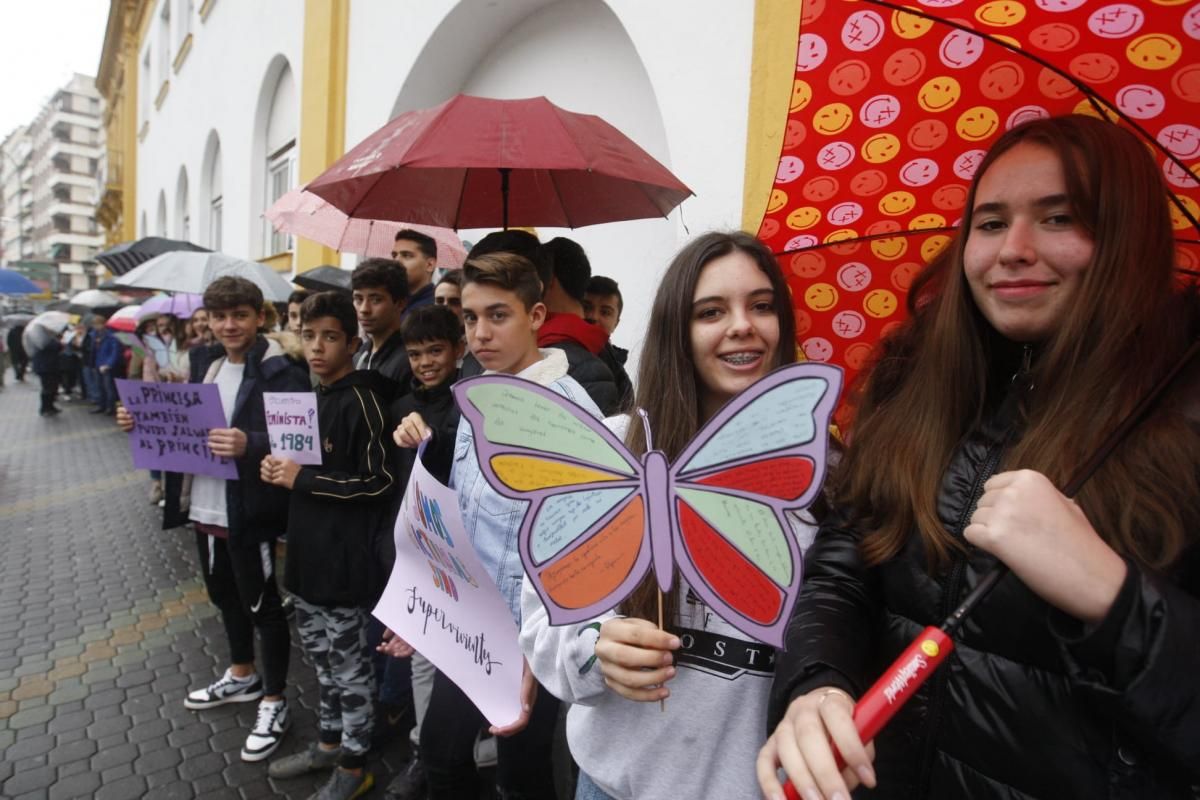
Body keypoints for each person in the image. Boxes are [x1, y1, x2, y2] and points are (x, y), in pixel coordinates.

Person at [758, 115, 1200, 800]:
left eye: (1058, 219)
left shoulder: (1182, 414)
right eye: (990, 224)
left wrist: (1115, 599)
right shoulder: (919, 375)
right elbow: (847, 559)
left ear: (1127, 237)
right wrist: (815, 682)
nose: (1014, 249)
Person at [517, 231, 817, 800]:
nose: (742, 325)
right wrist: (596, 649)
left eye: (761, 305)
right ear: (676, 331)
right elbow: (539, 628)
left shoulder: (822, 476)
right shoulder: (611, 451)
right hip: (612, 787)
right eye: (711, 311)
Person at [391, 251, 603, 800]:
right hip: (472, 621)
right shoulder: (476, 391)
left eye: (497, 315)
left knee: (524, 772)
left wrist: (539, 651)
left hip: (530, 635)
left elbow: (584, 551)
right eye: (469, 317)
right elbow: (462, 516)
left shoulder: (571, 416)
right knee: (442, 754)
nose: (480, 333)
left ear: (535, 316)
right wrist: (424, 607)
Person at [121, 276, 310, 763]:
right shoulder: (205, 362)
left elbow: (300, 443)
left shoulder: (281, 369)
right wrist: (140, 418)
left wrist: (252, 444)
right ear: (208, 320)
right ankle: (242, 675)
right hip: (204, 505)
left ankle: (274, 700)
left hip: (251, 509)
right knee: (223, 594)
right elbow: (185, 424)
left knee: (264, 606)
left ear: (259, 317)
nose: (229, 325)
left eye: (239, 315)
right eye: (219, 316)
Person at [261, 291, 395, 800]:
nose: (317, 347)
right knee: (320, 664)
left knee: (351, 670)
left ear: (353, 343)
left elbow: (380, 483)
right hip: (305, 560)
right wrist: (277, 471)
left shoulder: (364, 400)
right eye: (308, 335)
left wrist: (304, 480)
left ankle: (355, 765)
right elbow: (297, 473)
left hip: (343, 567)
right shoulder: (305, 399)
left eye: (330, 337)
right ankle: (328, 743)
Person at [380, 304, 465, 800]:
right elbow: (396, 490)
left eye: (436, 350)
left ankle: (456, 749)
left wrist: (437, 439)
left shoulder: (468, 403)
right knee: (421, 659)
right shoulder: (400, 407)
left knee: (459, 657)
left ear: (459, 350)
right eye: (416, 353)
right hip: (417, 551)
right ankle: (421, 752)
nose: (426, 362)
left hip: (461, 552)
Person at [539, 237, 633, 411]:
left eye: (606, 312)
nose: (594, 317)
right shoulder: (527, 342)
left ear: (549, 280)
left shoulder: (597, 365)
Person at [352, 257, 410, 399]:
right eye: (359, 299)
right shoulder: (360, 354)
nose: (364, 309)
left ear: (400, 303)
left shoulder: (410, 358)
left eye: (376, 299)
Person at [392, 229, 438, 316]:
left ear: (429, 265)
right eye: (394, 255)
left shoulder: (435, 310)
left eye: (406, 255)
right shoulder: (394, 304)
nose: (396, 261)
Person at [583, 275, 627, 365]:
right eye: (586, 307)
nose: (593, 317)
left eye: (605, 312)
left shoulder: (618, 373)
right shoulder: (555, 355)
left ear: (616, 323)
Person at [92, 316, 122, 414]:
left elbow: (115, 351)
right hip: (98, 363)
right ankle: (102, 405)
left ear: (104, 324)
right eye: (95, 325)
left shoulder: (111, 335)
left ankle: (110, 407)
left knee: (108, 387)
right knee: (99, 386)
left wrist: (109, 364)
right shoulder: (95, 335)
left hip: (106, 365)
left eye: (98, 324)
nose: (96, 327)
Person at [32, 333, 63, 417]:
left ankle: (50, 406)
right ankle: (45, 408)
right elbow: (56, 347)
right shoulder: (43, 340)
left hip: (50, 366)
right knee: (47, 388)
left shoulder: (46, 338)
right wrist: (59, 342)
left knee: (52, 387)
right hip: (45, 367)